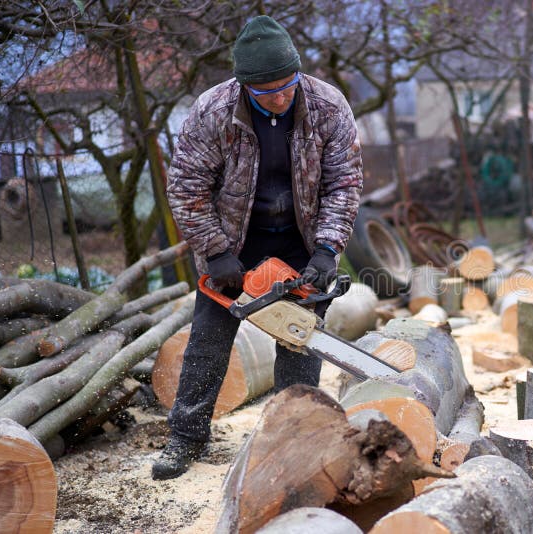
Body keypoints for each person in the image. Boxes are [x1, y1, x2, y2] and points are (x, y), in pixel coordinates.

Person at [152, 15, 362, 480]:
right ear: (245, 85)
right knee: (208, 339)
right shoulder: (213, 111)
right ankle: (186, 437)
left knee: (299, 340)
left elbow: (343, 184)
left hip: (300, 237)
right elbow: (186, 189)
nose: (280, 97)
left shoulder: (328, 106)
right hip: (232, 238)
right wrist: (216, 251)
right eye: (267, 92)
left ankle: (295, 438)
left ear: (298, 73)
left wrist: (327, 249)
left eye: (287, 86)